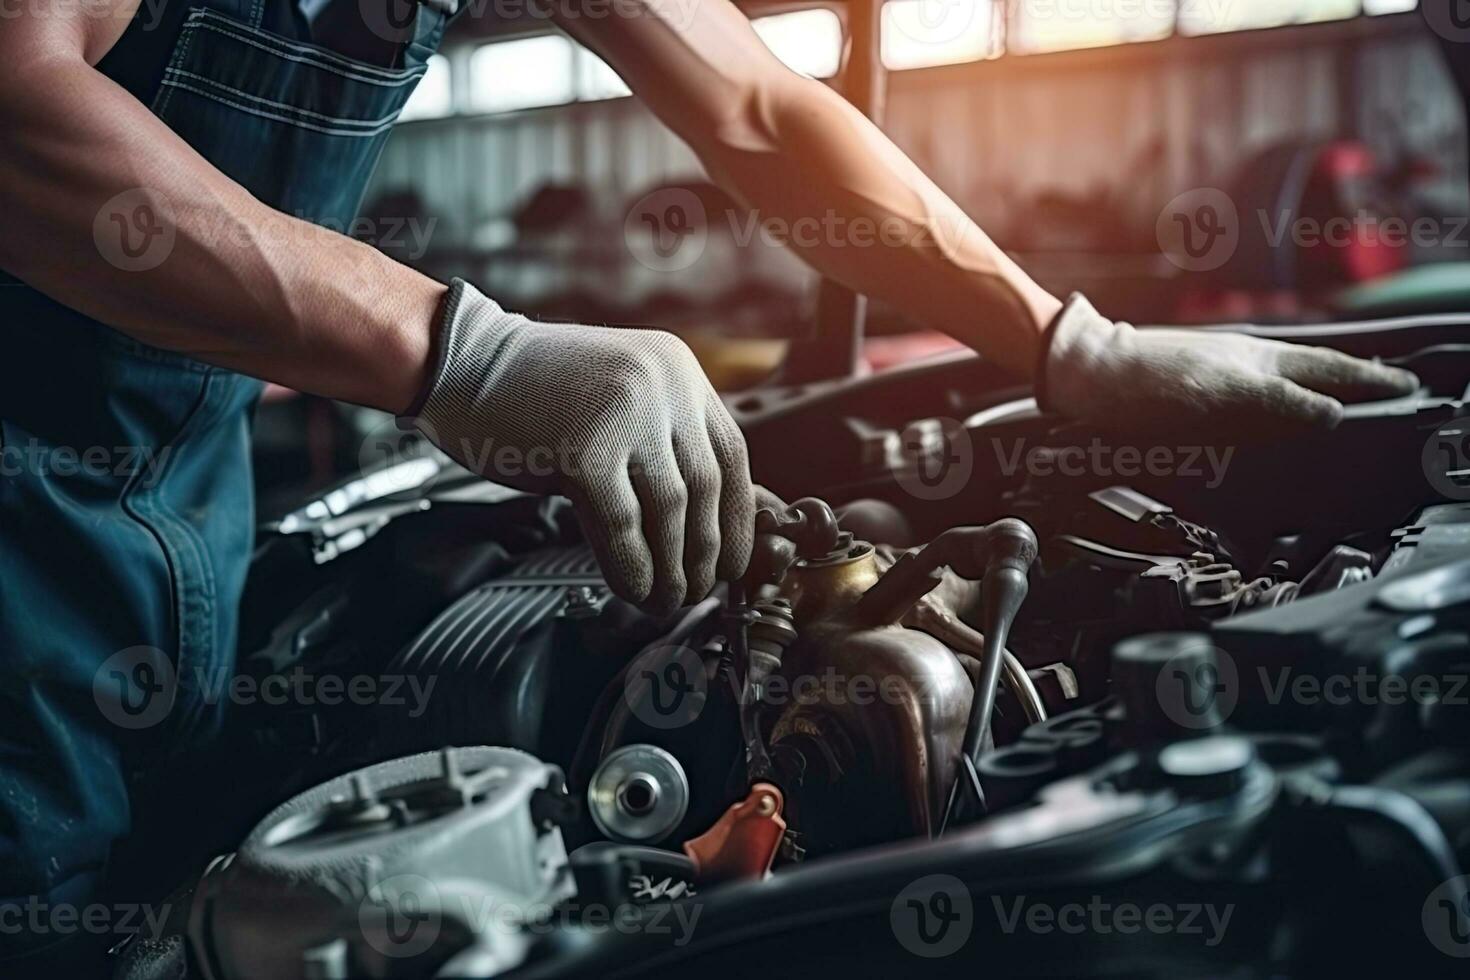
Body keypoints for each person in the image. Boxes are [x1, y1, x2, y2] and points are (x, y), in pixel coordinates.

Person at [0, 0, 1416, 970]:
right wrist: (470, 354)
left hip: (178, 495)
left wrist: (1064, 341)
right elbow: (16, 104)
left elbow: (755, 104)